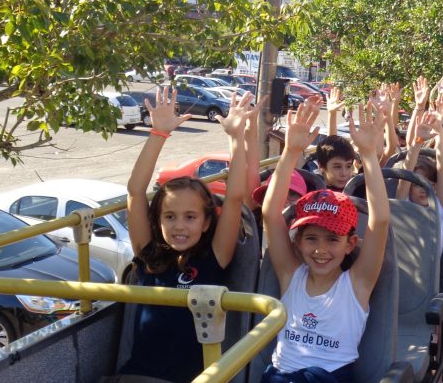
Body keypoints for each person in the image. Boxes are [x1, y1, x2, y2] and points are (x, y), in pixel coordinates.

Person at [118, 87, 255, 383]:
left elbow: (234, 198)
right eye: (170, 216)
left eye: (190, 217)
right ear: (158, 221)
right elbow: (135, 191)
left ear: (206, 223)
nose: (179, 225)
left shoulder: (213, 258)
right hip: (139, 375)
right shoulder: (149, 256)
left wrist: (236, 137)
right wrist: (158, 133)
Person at [262, 101, 390, 382]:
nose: (320, 250)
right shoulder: (291, 276)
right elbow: (270, 214)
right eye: (311, 238)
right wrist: (290, 152)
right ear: (297, 242)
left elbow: (380, 220)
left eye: (332, 239)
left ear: (350, 243)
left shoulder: (356, 284)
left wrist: (369, 155)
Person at [396, 110, 443, 252]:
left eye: (429, 184)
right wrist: (418, 142)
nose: (424, 189)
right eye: (417, 184)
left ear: (436, 187)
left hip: (431, 266)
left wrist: (439, 132)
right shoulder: (403, 205)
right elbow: (406, 174)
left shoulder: (439, 207)